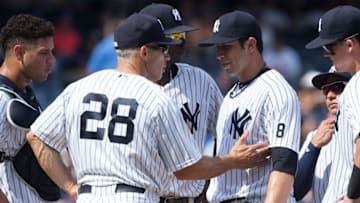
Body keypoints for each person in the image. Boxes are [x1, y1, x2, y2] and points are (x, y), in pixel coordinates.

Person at [26, 13, 270, 203]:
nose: (166, 56)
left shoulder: (78, 88)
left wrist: (69, 186)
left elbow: (37, 136)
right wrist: (232, 161)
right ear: (143, 52)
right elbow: (187, 169)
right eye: (161, 49)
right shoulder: (154, 97)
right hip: (136, 196)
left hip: (89, 196)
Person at [198, 10, 301, 203]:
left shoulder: (276, 91)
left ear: (251, 45)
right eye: (217, 47)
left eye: (226, 47)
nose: (219, 55)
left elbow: (284, 164)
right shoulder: (230, 95)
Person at [139, 3, 224, 202]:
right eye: (176, 37)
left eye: (183, 35)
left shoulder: (200, 81)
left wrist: (211, 181)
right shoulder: (124, 87)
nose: (183, 42)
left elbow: (226, 133)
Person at [0, 14, 60, 203]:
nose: (52, 60)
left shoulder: (25, 93)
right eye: (44, 53)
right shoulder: (2, 99)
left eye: (52, 52)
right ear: (19, 53)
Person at [304, 5, 360, 202]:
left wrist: (352, 197)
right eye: (325, 89)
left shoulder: (356, 85)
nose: (325, 54)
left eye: (330, 48)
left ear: (350, 45)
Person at [294, 67, 351, 202]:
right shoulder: (316, 136)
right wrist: (314, 146)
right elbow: (296, 190)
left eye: (337, 88)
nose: (330, 95)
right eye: (326, 90)